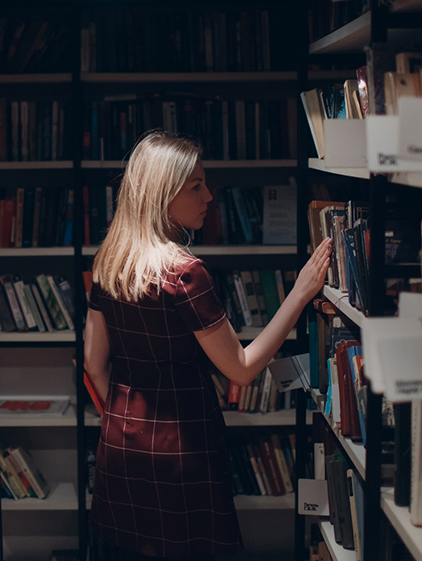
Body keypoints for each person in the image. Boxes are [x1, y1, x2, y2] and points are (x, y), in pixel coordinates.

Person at [85, 131, 334, 560]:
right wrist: (300, 294)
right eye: (196, 185)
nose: (210, 196)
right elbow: (240, 368)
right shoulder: (186, 274)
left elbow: (93, 363)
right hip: (184, 444)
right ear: (163, 193)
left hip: (120, 442)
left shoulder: (111, 261)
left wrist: (125, 418)